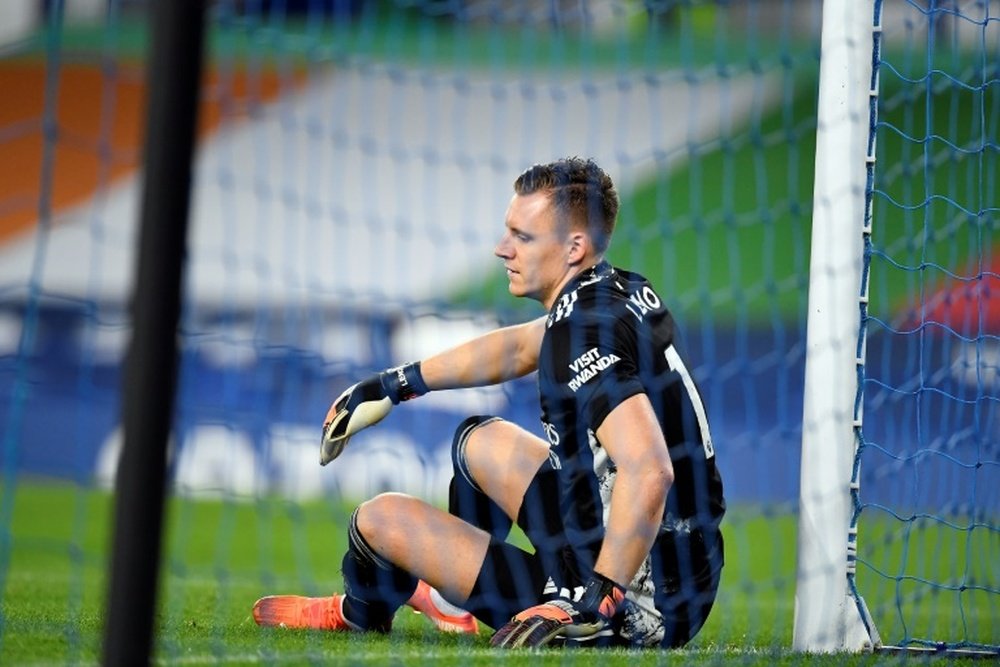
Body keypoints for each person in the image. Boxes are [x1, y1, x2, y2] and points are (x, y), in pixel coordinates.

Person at [252, 157, 726, 648]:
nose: (503, 249)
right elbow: (520, 348)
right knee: (476, 440)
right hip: (680, 567)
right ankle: (456, 601)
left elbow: (650, 470)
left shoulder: (581, 336)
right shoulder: (616, 290)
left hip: (631, 600)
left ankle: (360, 614)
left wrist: (601, 598)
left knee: (376, 521)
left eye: (522, 237)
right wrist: (394, 385)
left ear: (574, 247)